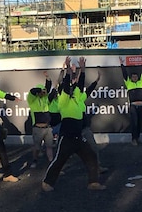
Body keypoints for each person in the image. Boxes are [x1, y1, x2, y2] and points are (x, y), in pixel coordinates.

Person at [42, 57, 105, 192]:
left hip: (78, 136)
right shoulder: (63, 100)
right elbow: (65, 85)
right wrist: (69, 69)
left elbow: (81, 84)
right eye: (71, 88)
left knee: (91, 156)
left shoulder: (78, 98)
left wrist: (83, 69)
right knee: (59, 160)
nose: (74, 89)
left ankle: (93, 182)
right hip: (67, 136)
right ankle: (47, 183)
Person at [26, 72, 56, 169]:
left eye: (44, 91)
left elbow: (49, 87)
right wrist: (39, 90)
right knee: (37, 147)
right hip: (38, 128)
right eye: (42, 91)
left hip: (48, 128)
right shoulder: (32, 100)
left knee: (49, 146)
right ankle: (34, 160)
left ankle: (51, 163)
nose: (44, 93)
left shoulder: (45, 99)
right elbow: (32, 91)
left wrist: (48, 78)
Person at [120, 56, 142, 145]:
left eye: (136, 77)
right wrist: (122, 64)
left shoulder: (141, 82)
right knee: (134, 123)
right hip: (133, 106)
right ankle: (133, 139)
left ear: (138, 77)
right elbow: (124, 74)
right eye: (133, 77)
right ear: (131, 78)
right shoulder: (129, 83)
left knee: (140, 123)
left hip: (141, 106)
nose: (134, 78)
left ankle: (137, 138)